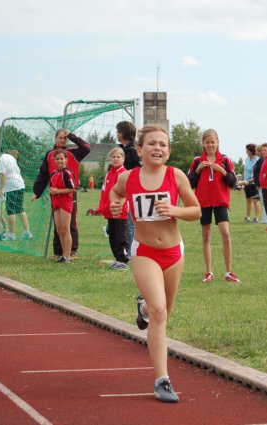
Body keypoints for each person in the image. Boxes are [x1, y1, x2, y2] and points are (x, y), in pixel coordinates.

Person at [109, 126, 201, 403]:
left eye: (163, 144)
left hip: (173, 252)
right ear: (139, 150)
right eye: (151, 143)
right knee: (159, 312)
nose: (157, 148)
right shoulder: (128, 177)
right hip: (144, 251)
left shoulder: (176, 175)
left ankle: (144, 308)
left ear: (168, 151)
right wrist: (116, 205)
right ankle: (162, 380)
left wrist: (175, 210)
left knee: (163, 313)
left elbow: (196, 210)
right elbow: (115, 193)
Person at [187, 129, 240, 283]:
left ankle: (228, 272)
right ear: (203, 143)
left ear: (218, 142)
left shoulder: (225, 160)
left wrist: (222, 171)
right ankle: (209, 272)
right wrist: (198, 170)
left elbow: (232, 182)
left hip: (220, 201)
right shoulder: (197, 161)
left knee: (226, 234)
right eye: (207, 142)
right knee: (206, 236)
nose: (210, 145)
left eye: (212, 142)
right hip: (203, 202)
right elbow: (189, 183)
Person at [32, 129, 91, 259]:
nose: (63, 140)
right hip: (55, 193)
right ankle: (58, 252)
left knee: (70, 223)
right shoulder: (49, 154)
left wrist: (72, 136)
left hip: (69, 192)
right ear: (55, 138)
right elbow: (43, 174)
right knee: (58, 225)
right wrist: (37, 192)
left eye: (65, 138)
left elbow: (87, 148)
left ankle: (72, 251)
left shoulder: (73, 152)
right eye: (60, 137)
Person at [0, 141, 33, 241]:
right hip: (20, 183)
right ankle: (27, 232)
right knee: (19, 209)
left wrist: (0, 189)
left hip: (11, 186)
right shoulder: (10, 156)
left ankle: (11, 235)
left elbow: (3, 175)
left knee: (10, 210)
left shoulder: (1, 159)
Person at [98, 147, 130, 270]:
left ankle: (123, 260)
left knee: (120, 235)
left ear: (123, 159)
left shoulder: (124, 173)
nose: (116, 159)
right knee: (112, 235)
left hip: (119, 210)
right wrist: (102, 207)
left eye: (118, 157)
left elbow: (126, 192)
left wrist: (119, 205)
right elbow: (104, 191)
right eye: (114, 157)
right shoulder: (109, 173)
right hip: (109, 210)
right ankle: (117, 258)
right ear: (110, 159)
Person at [48, 149, 78, 263]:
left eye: (61, 158)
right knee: (59, 229)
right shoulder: (54, 174)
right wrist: (52, 191)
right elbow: (53, 187)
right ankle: (63, 254)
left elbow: (73, 189)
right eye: (57, 159)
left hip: (65, 202)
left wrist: (58, 191)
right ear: (54, 160)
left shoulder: (67, 173)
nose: (59, 161)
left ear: (66, 159)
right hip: (56, 202)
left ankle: (67, 256)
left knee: (65, 229)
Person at [116, 120, 141, 250]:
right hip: (119, 191)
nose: (116, 134)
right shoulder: (119, 150)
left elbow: (138, 169)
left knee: (129, 224)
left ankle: (131, 252)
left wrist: (128, 177)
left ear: (122, 133)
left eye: (118, 131)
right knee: (118, 222)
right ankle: (123, 249)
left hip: (131, 192)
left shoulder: (133, 151)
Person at [242, 144, 261, 223]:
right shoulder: (246, 159)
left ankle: (256, 218)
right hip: (246, 183)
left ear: (251, 151)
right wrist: (243, 180)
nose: (246, 152)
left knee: (256, 201)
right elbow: (245, 170)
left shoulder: (257, 160)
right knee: (248, 200)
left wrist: (251, 181)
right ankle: (248, 217)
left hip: (254, 183)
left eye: (247, 150)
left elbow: (258, 173)